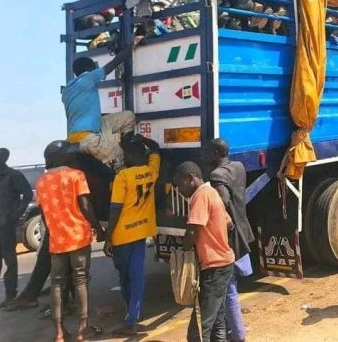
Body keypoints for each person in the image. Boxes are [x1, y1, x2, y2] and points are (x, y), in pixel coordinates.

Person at [37, 140, 104, 342]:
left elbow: (43, 213)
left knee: (57, 283)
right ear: (64, 157)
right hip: (78, 237)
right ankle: (83, 329)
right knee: (81, 280)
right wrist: (98, 228)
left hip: (57, 240)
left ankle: (59, 332)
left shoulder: (41, 181)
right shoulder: (76, 175)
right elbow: (84, 204)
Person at [103, 134, 160, 336]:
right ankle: (134, 314)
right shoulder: (151, 172)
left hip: (122, 235)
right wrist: (143, 139)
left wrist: (108, 237)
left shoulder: (123, 177)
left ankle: (131, 318)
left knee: (125, 277)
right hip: (141, 232)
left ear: (128, 157)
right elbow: (155, 149)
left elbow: (115, 209)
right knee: (136, 276)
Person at [174, 161, 235, 342]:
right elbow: (229, 223)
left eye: (180, 185)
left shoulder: (200, 195)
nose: (179, 190)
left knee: (202, 325)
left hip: (214, 266)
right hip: (224, 263)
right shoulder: (212, 193)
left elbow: (192, 229)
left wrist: (184, 255)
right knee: (217, 320)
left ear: (190, 178)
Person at [203, 139, 254, 342]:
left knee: (227, 287)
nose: (204, 156)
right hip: (243, 228)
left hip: (230, 235)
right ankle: (235, 330)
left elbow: (222, 202)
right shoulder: (238, 167)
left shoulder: (217, 175)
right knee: (230, 285)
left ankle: (237, 333)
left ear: (216, 153)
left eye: (207, 152)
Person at [64, 39, 142, 169]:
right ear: (88, 69)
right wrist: (133, 43)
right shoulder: (87, 78)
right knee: (118, 158)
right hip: (86, 137)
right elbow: (115, 62)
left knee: (128, 117)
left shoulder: (68, 89)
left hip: (85, 132)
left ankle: (126, 144)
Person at [0, 148, 32, 308]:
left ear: (4, 158)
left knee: (10, 260)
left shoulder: (13, 175)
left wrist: (15, 215)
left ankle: (10, 294)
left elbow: (28, 195)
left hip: (6, 225)